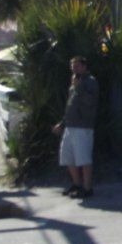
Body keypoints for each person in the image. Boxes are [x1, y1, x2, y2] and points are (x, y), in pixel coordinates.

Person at [53, 56, 98, 199]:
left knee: (83, 158)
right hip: (70, 125)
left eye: (77, 66)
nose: (74, 69)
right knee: (67, 157)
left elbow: (91, 102)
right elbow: (70, 105)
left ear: (84, 67)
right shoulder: (74, 83)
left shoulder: (90, 82)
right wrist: (62, 122)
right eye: (72, 67)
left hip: (83, 126)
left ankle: (87, 188)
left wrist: (79, 88)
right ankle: (77, 184)